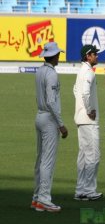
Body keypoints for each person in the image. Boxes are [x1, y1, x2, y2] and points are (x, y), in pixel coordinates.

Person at [32, 42, 68, 212]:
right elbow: (52, 101)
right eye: (58, 54)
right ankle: (44, 200)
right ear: (53, 56)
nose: (59, 57)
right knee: (47, 161)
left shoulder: (39, 71)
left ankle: (37, 198)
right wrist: (61, 125)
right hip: (49, 119)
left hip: (39, 116)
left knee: (40, 159)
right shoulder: (52, 74)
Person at [73, 45, 103, 201]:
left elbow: (75, 90)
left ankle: (80, 190)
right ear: (88, 56)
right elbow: (84, 93)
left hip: (80, 118)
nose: (97, 56)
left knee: (84, 156)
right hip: (89, 120)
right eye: (94, 54)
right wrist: (90, 109)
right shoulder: (89, 72)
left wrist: (81, 108)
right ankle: (90, 190)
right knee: (93, 156)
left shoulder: (80, 71)